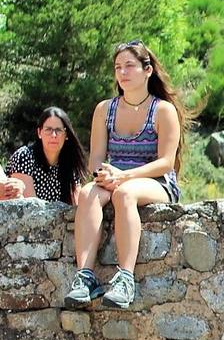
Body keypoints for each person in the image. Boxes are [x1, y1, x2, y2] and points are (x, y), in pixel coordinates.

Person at [65, 41, 194, 310]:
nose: (122, 72)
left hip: (154, 181)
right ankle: (85, 277)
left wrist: (124, 177)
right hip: (115, 178)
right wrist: (104, 174)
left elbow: (165, 163)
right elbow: (96, 160)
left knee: (126, 194)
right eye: (118, 67)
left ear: (147, 71)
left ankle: (125, 279)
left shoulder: (163, 111)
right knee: (89, 193)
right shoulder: (104, 110)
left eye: (129, 66)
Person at [1, 107, 87, 203]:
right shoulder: (24, 156)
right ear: (39, 133)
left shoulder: (70, 162)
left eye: (58, 130)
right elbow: (29, 205)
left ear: (66, 135)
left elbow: (76, 205)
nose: (53, 135)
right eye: (48, 129)